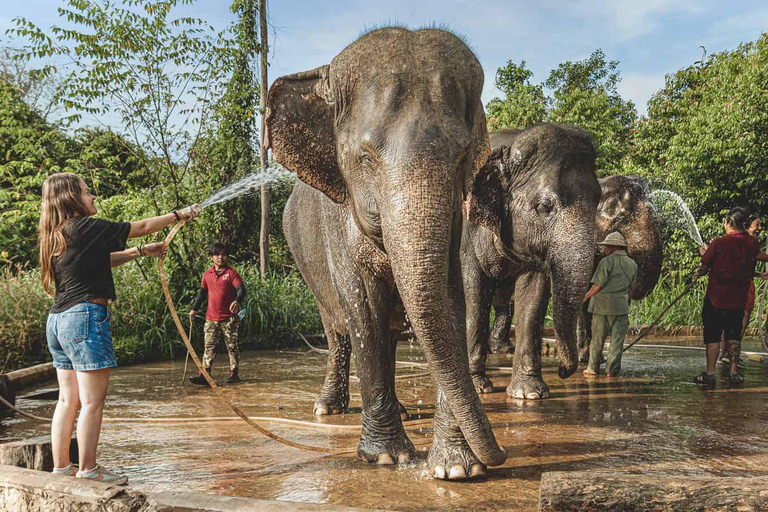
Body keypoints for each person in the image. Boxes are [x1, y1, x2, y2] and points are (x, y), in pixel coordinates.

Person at [40, 172, 200, 484]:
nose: (93, 197)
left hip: (58, 321)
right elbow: (139, 227)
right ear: (72, 198)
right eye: (88, 193)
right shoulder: (86, 226)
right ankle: (89, 470)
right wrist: (179, 215)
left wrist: (141, 251)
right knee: (91, 403)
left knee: (66, 400)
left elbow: (101, 261)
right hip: (85, 317)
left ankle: (62, 468)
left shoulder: (57, 233)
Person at [693, 208, 768, 386]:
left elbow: (704, 267)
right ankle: (734, 373)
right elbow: (759, 256)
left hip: (715, 299)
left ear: (728, 223)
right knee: (734, 335)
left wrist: (696, 276)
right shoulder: (751, 243)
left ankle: (710, 374)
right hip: (738, 300)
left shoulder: (718, 243)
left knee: (712, 336)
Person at [188, 243, 246, 385]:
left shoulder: (231, 273)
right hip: (211, 318)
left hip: (229, 318)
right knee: (208, 346)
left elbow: (241, 289)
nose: (220, 257)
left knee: (232, 347)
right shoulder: (207, 274)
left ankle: (234, 373)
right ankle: (205, 375)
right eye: (217, 255)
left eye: (223, 254)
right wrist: (194, 309)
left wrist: (237, 301)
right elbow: (201, 294)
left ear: (227, 257)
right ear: (211, 257)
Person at [582, 232, 638, 377]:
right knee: (617, 342)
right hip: (622, 308)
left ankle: (592, 369)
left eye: (607, 246)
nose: (605, 248)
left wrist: (585, 297)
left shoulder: (607, 262)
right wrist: (625, 303)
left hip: (602, 307)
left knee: (597, 339)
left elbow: (597, 285)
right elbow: (631, 290)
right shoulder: (633, 264)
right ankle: (611, 371)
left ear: (614, 246)